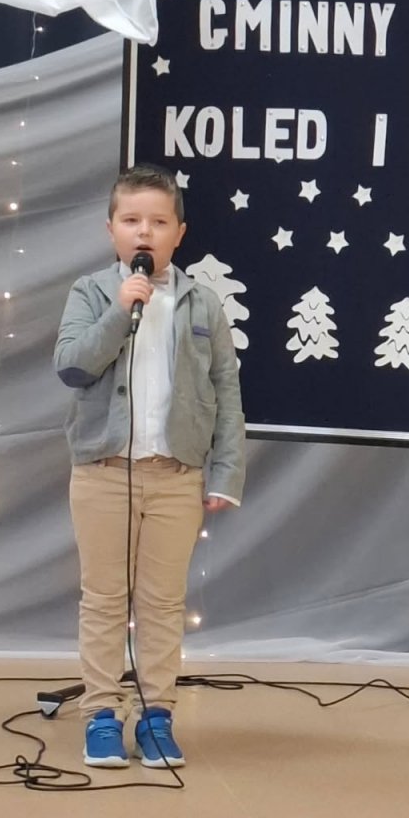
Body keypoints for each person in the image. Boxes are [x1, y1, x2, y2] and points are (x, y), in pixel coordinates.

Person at [54, 163, 244, 769]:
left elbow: (226, 390)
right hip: (103, 471)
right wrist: (120, 310)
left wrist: (225, 471)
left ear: (178, 233)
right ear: (111, 229)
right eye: (132, 220)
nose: (144, 232)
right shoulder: (91, 292)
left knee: (162, 602)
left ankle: (156, 713)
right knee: (104, 599)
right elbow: (73, 365)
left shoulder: (201, 302)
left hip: (176, 475)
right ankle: (101, 715)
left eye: (158, 222)